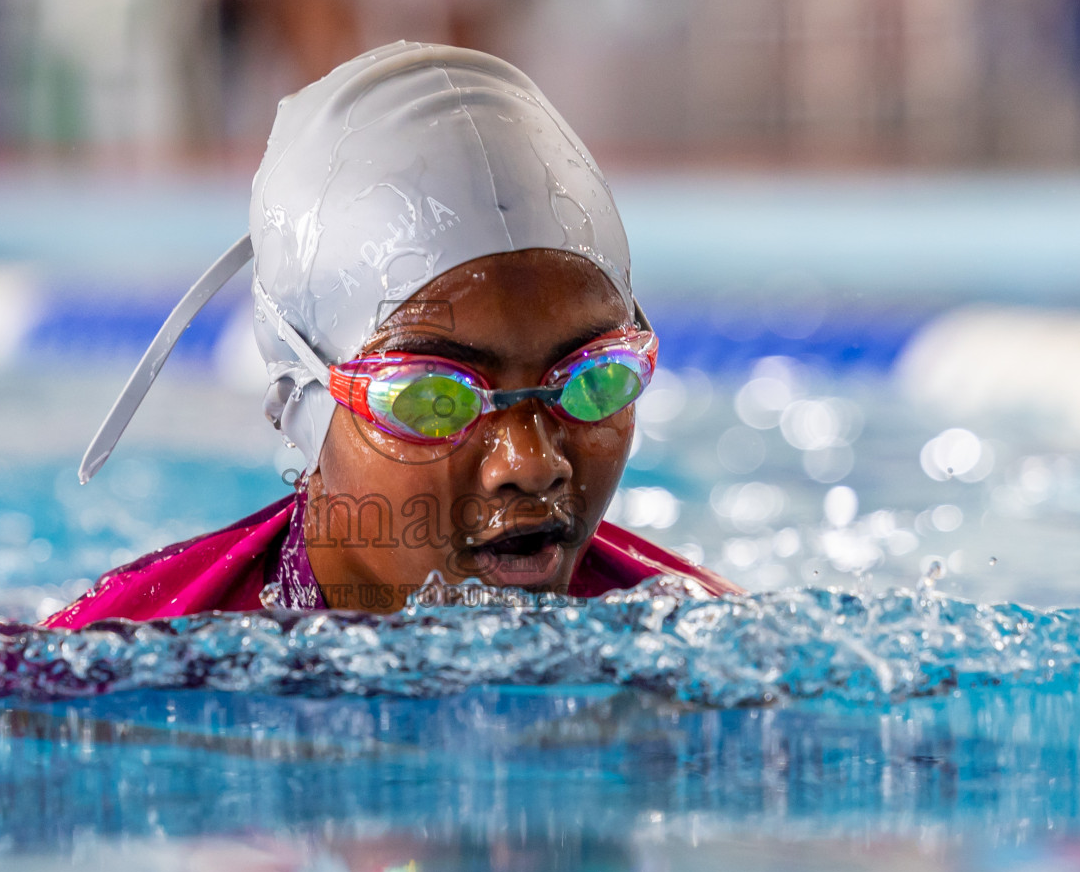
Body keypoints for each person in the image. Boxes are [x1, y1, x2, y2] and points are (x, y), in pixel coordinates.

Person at [44, 41, 737, 628]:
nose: (531, 463)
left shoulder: (703, 641)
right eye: (434, 397)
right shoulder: (122, 660)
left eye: (593, 379)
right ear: (303, 401)